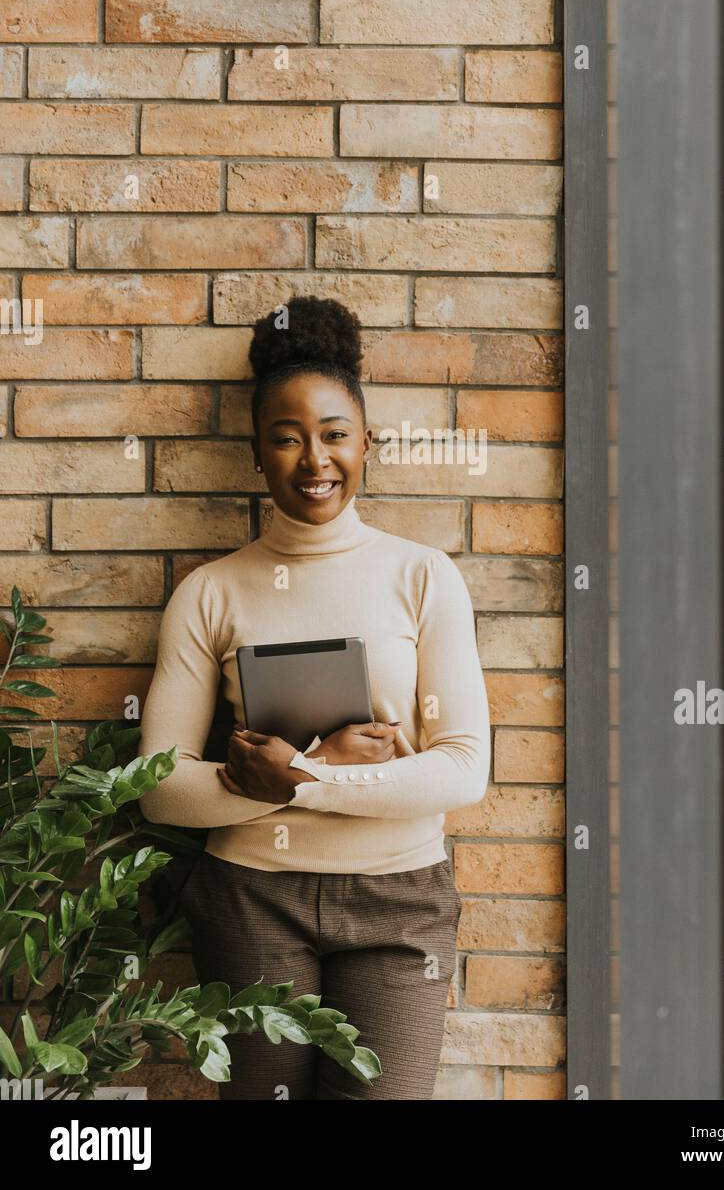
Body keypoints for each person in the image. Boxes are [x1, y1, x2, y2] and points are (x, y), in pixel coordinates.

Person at [138, 296, 491, 1100]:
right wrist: (314, 767)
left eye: (334, 435)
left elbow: (464, 770)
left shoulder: (423, 576)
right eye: (286, 438)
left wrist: (307, 775)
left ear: (367, 443)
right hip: (251, 900)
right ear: (258, 454)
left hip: (400, 903)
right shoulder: (210, 593)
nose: (314, 459)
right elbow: (158, 783)